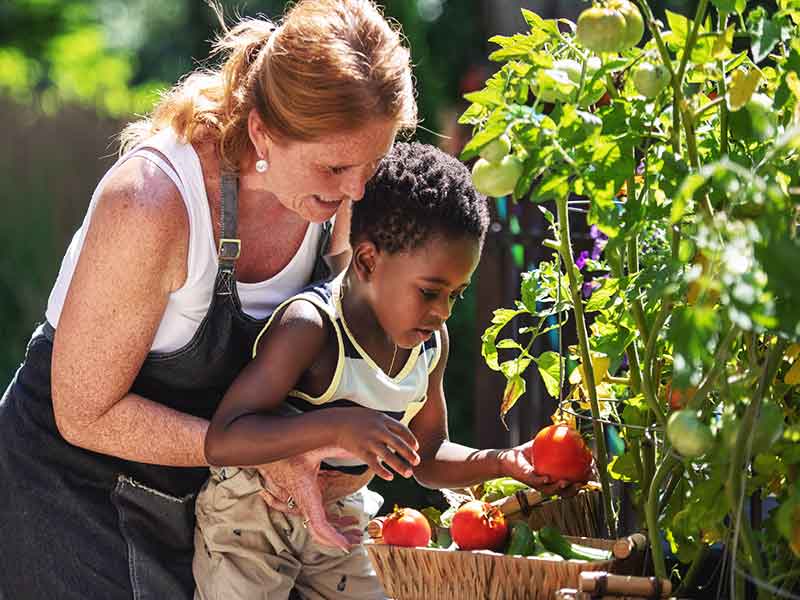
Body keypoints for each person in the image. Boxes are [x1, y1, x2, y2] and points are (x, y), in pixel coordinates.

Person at [0, 1, 416, 598]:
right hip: (70, 494)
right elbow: (83, 412)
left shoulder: (341, 194)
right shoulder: (151, 201)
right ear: (261, 133)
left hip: (207, 500)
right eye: (336, 167)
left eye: (372, 163)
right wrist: (264, 452)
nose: (358, 188)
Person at [192, 142, 585, 600]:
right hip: (252, 515)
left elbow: (428, 454)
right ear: (367, 261)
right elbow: (224, 438)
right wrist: (337, 428)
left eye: (455, 295)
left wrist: (500, 461)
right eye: (429, 292)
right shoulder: (312, 327)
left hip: (339, 515)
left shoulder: (429, 346)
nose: (442, 312)